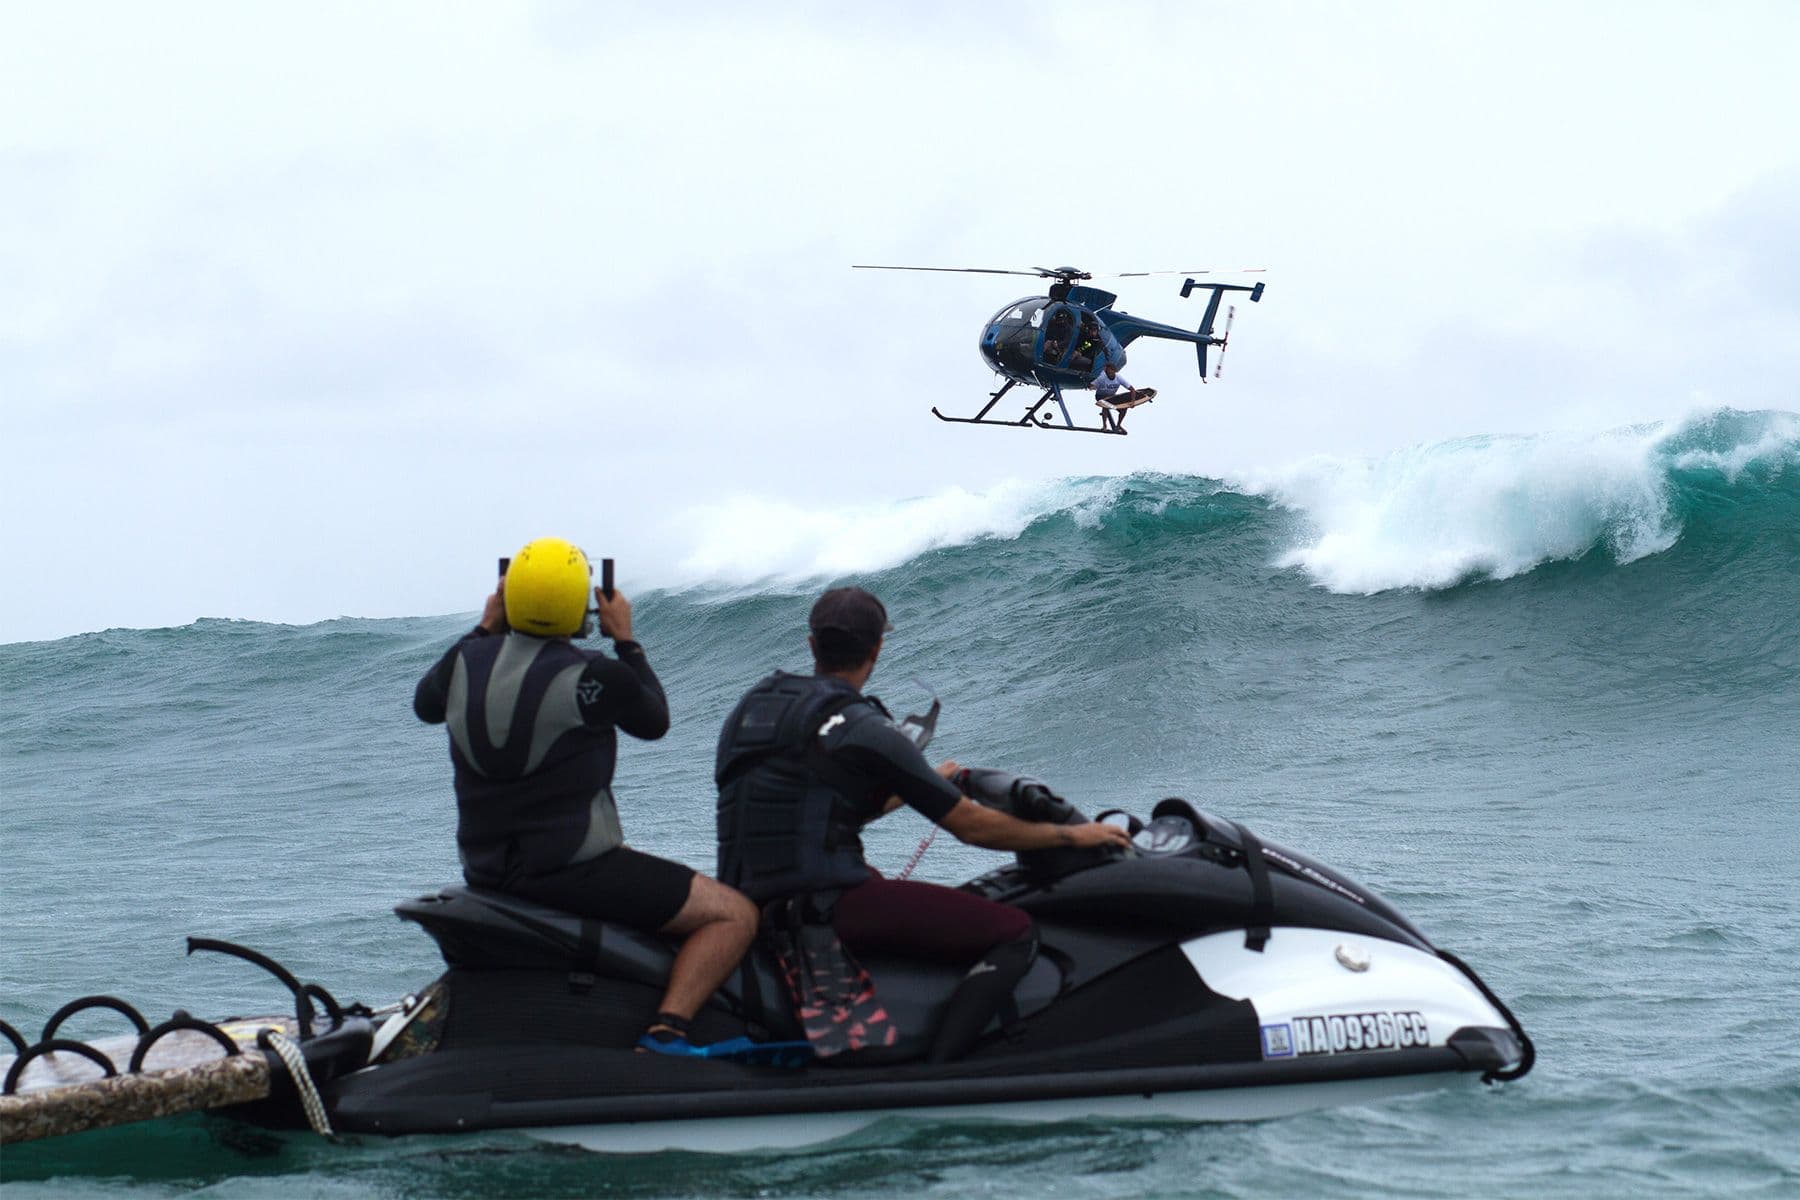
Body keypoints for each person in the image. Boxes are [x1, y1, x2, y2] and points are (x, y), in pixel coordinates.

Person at [714, 587, 1133, 1063]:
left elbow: (815, 806)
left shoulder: (753, 707)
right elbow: (973, 828)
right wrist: (1075, 835)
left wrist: (925, 782)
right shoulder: (864, 725)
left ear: (812, 645)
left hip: (747, 900)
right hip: (824, 904)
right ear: (877, 648)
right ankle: (942, 1070)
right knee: (1015, 930)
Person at [414, 537, 757, 1057]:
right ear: (580, 607)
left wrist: (488, 623)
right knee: (734, 914)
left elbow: (425, 705)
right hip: (572, 870)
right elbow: (654, 721)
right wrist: (627, 640)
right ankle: (667, 1031)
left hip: (485, 868)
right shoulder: (597, 675)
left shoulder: (463, 661)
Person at [1092, 360, 1146, 430]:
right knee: (1105, 405)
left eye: (1109, 371)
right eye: (1106, 371)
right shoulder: (1102, 377)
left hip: (1112, 397)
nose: (1108, 373)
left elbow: (1132, 390)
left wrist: (1133, 402)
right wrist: (1092, 387)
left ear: (1114, 371)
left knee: (1124, 409)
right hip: (1100, 396)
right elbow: (1091, 385)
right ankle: (1104, 426)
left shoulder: (1118, 378)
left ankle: (1118, 425)